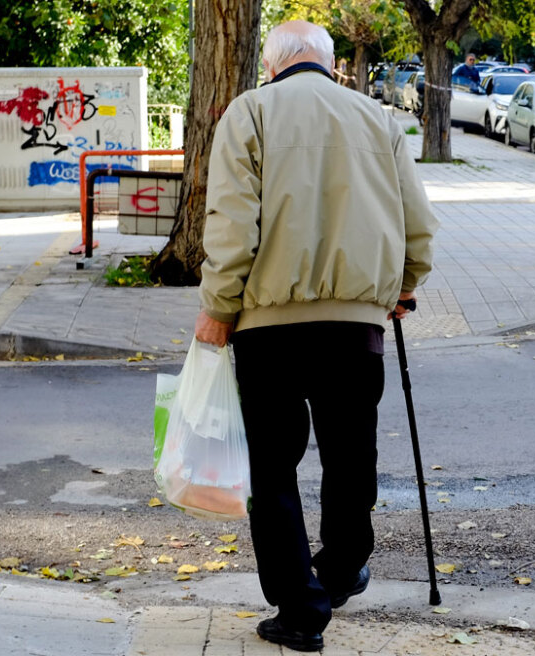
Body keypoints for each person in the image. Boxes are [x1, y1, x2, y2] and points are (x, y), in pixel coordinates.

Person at [194, 19, 438, 653]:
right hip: (356, 326)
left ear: (272, 64)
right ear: (330, 64)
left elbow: (230, 223)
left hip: (268, 329)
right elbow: (417, 220)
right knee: (350, 456)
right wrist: (404, 287)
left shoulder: (249, 113)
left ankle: (302, 611)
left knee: (271, 470)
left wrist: (218, 308)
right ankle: (342, 565)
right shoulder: (379, 119)